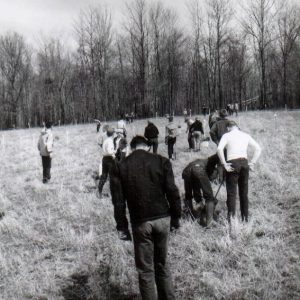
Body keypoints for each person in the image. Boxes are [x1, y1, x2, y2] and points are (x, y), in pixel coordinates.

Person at [116, 135, 181, 300]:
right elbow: (172, 191)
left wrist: (122, 227)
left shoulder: (121, 166)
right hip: (163, 218)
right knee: (163, 264)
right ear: (148, 147)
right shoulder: (161, 161)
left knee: (145, 270)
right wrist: (176, 217)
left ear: (131, 148)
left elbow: (118, 203)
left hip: (140, 223)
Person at [217, 121, 261, 222]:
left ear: (228, 128)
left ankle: (232, 220)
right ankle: (245, 219)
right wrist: (252, 162)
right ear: (237, 127)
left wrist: (224, 164)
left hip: (233, 163)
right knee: (244, 194)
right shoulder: (245, 135)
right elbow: (258, 149)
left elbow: (219, 149)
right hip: (244, 163)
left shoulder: (226, 135)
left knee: (232, 194)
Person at [182, 154, 219, 227]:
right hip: (198, 169)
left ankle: (190, 218)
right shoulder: (209, 167)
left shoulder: (203, 162)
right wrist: (211, 199)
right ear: (213, 172)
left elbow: (196, 190)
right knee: (209, 197)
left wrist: (199, 201)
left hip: (186, 170)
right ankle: (209, 223)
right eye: (213, 178)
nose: (211, 180)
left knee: (188, 195)